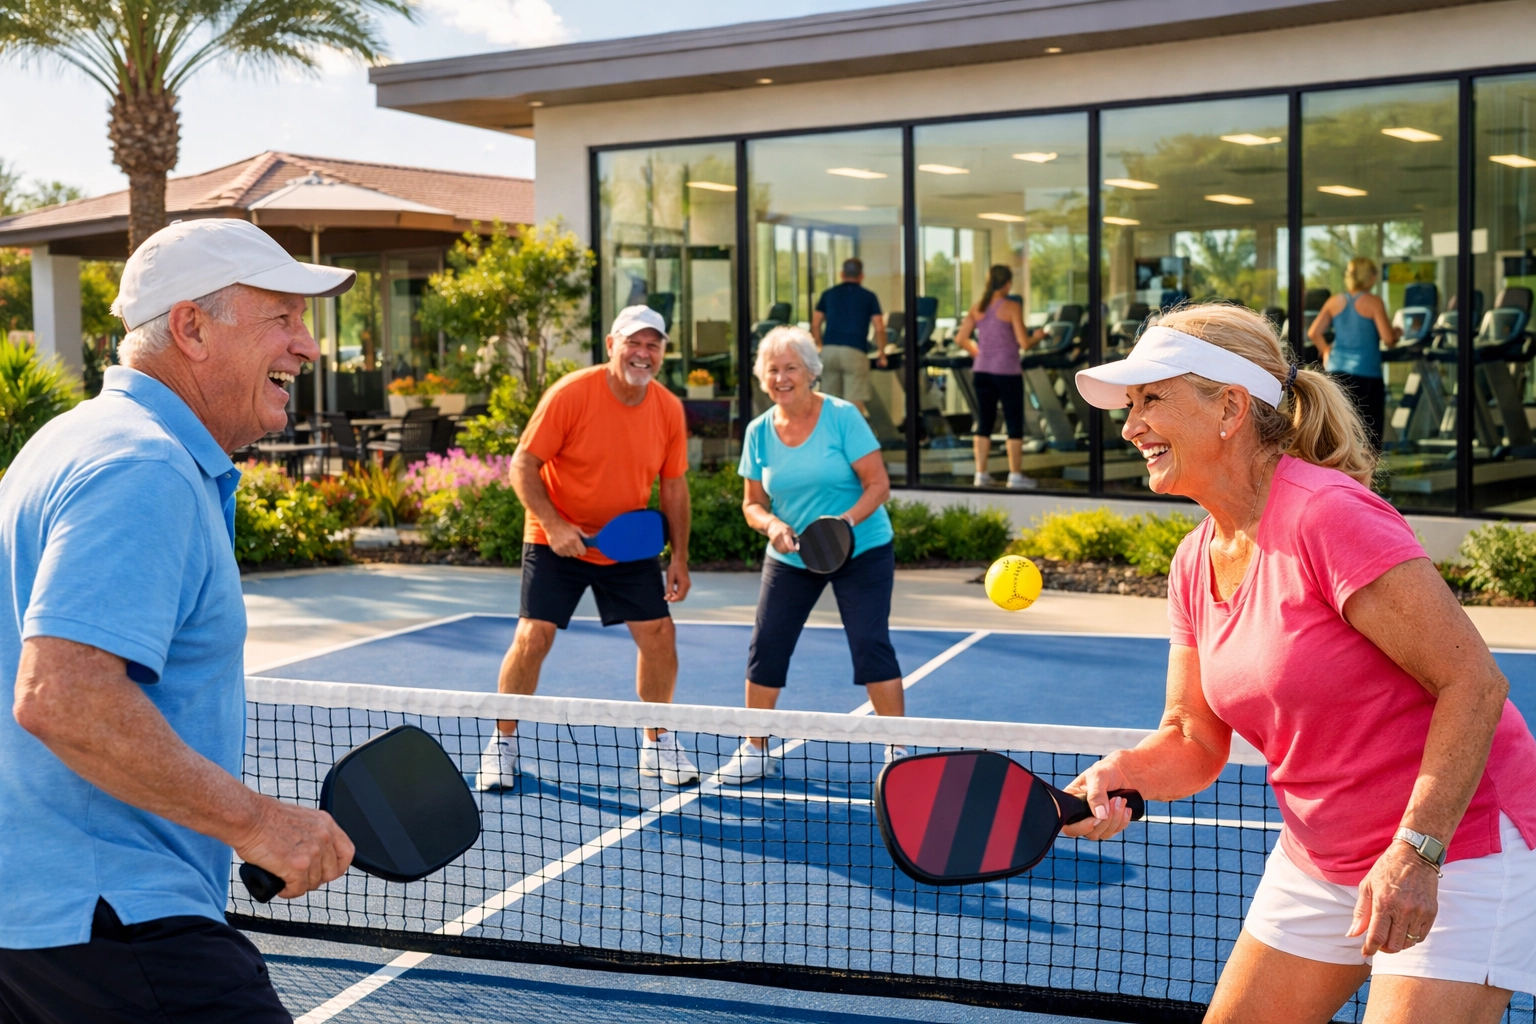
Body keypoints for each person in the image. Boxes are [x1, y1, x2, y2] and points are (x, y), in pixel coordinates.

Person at [1069, 303, 1536, 1024]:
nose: (1130, 428)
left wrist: (1417, 852)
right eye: (1128, 407)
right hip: (1322, 855)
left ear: (1229, 407)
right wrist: (1122, 772)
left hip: (1457, 845)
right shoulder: (1194, 560)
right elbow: (1192, 738)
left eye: (1150, 400)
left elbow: (1474, 682)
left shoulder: (1328, 516)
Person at [0, 219, 358, 1021]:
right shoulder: (144, 463)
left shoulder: (70, 441)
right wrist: (260, 824)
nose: (309, 346)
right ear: (192, 327)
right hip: (115, 919)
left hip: (39, 918)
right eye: (283, 318)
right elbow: (62, 697)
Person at [477, 305, 697, 791]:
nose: (643, 353)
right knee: (533, 637)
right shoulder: (572, 394)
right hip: (556, 538)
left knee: (659, 635)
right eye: (634, 343)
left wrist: (679, 557)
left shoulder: (667, 408)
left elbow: (675, 486)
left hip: (626, 543)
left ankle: (657, 741)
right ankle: (502, 743)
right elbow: (523, 465)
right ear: (612, 345)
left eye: (653, 345)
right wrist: (554, 525)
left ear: (661, 353)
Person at [714, 326, 903, 784]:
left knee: (870, 644)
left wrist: (843, 524)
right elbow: (751, 503)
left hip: (861, 547)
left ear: (811, 372)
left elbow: (878, 484)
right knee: (768, 645)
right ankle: (755, 746)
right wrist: (772, 524)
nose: (781, 377)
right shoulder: (759, 432)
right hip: (792, 554)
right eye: (772, 369)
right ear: (763, 378)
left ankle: (897, 751)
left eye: (791, 367)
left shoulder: (842, 417)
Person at [953, 264, 1046, 489]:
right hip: (1006, 370)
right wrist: (1040, 336)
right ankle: (1014, 476)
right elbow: (1024, 343)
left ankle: (981, 473)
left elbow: (961, 338)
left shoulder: (978, 307)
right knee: (1013, 420)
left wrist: (979, 353)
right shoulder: (1012, 306)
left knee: (984, 422)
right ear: (1007, 284)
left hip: (982, 370)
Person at [1307, 257, 1400, 450]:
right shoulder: (1373, 303)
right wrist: (1398, 332)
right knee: (1369, 435)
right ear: (1370, 278)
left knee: (1340, 432)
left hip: (1336, 372)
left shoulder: (1334, 302)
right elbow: (1388, 339)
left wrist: (1326, 350)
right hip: (1366, 375)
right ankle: (1365, 479)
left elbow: (1314, 332)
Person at [811, 257, 887, 415]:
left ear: (841, 274)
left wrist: (819, 346)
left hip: (829, 349)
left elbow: (816, 324)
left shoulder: (828, 294)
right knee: (853, 403)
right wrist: (882, 352)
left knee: (829, 401)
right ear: (861, 276)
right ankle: (851, 438)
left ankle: (831, 437)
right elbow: (879, 327)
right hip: (855, 350)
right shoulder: (868, 296)